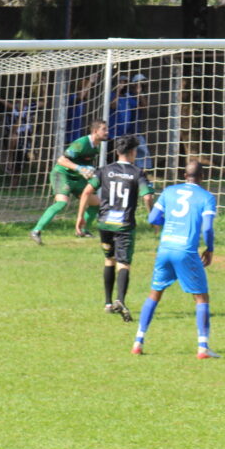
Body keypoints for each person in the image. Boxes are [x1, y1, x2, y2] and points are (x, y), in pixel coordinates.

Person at [132, 160, 220, 359]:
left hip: (165, 248)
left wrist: (169, 223)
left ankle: (138, 341)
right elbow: (207, 228)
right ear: (203, 177)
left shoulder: (169, 191)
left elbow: (152, 218)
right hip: (186, 250)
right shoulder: (206, 197)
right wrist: (210, 248)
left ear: (184, 175)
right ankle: (203, 348)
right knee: (201, 298)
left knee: (155, 293)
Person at [76, 134, 156, 321]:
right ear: (132, 152)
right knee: (124, 262)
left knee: (109, 260)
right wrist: (152, 217)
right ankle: (119, 300)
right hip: (124, 225)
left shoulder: (104, 170)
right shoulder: (137, 172)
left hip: (104, 222)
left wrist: (80, 217)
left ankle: (107, 303)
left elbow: (87, 191)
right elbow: (147, 196)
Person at [30, 119, 110, 244]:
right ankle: (36, 231)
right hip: (62, 174)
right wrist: (80, 169)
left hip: (77, 178)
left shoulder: (95, 147)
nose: (107, 132)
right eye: (104, 129)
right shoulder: (81, 143)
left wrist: (89, 171)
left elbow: (84, 165)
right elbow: (61, 160)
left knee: (96, 203)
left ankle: (82, 230)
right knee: (62, 202)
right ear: (95, 131)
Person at [109, 73, 150, 170]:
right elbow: (112, 105)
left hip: (130, 133)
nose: (123, 85)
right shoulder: (112, 95)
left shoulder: (130, 97)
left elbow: (144, 107)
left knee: (140, 155)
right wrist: (118, 90)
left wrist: (139, 92)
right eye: (121, 82)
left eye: (125, 82)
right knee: (114, 158)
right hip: (114, 134)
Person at [67, 72, 98, 144]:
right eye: (87, 89)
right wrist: (90, 82)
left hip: (78, 138)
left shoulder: (84, 103)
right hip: (69, 138)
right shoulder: (72, 97)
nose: (88, 91)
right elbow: (80, 97)